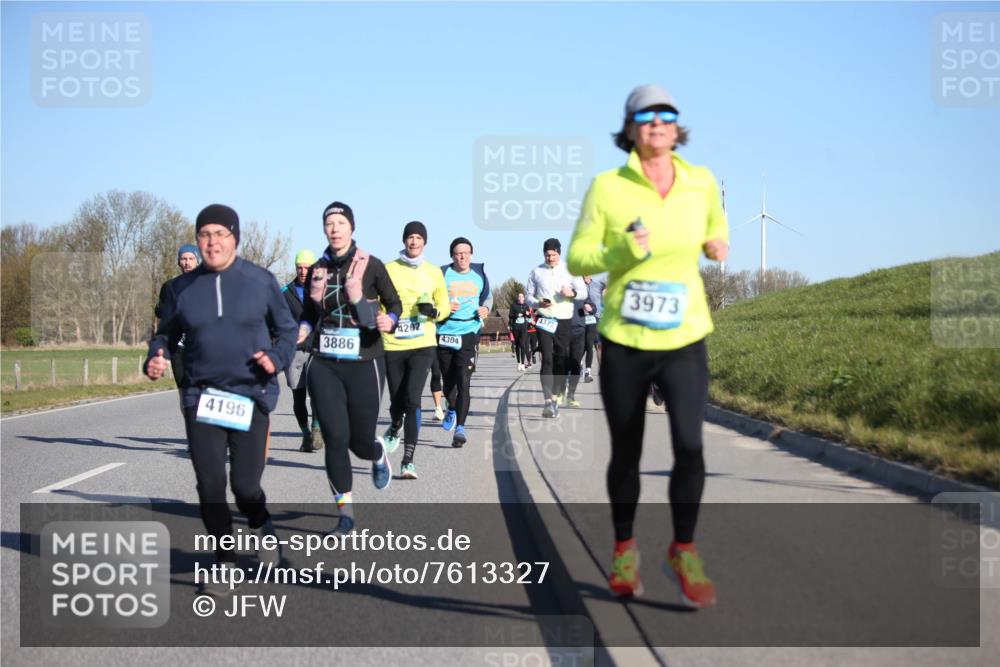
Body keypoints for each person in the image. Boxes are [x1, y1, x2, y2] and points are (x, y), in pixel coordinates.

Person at [566, 84, 728, 608]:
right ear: (631, 128)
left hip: (683, 336)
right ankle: (624, 547)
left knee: (689, 445)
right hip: (625, 338)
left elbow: (715, 224)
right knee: (628, 452)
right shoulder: (607, 187)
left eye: (667, 114)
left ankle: (684, 548)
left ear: (677, 127)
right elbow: (579, 258)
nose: (658, 122)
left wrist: (716, 241)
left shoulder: (701, 183)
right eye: (646, 115)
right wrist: (620, 247)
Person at [145, 205, 296, 595]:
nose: (212, 242)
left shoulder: (259, 281)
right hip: (202, 396)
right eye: (204, 234)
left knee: (245, 487)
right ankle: (225, 561)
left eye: (220, 234)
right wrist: (155, 354)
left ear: (235, 238)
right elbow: (164, 334)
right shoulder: (181, 289)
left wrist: (275, 360)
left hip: (251, 393)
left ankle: (261, 523)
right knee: (210, 485)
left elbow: (286, 329)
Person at [298, 202, 402, 534]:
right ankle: (346, 514)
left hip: (365, 360)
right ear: (324, 229)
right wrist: (301, 331)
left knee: (358, 441)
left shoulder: (372, 265)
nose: (335, 228)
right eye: (329, 222)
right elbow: (307, 314)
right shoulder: (317, 269)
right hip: (324, 362)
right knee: (334, 437)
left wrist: (391, 319)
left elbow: (395, 304)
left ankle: (376, 453)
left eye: (341, 222)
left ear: (351, 228)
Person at [381, 221, 450, 479]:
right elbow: (377, 303)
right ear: (404, 240)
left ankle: (408, 460)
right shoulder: (388, 269)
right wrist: (385, 319)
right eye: (410, 237)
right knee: (396, 399)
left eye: (419, 237)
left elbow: (443, 303)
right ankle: (395, 424)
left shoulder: (433, 272)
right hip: (394, 343)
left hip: (423, 343)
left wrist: (435, 312)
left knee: (413, 399)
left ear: (425, 242)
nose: (414, 241)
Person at [437, 237, 490, 448]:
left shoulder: (479, 275)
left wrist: (485, 308)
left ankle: (460, 428)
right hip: (444, 331)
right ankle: (451, 407)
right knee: (448, 383)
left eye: (467, 252)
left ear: (471, 254)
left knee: (464, 381)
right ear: (452, 255)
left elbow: (488, 298)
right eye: (459, 253)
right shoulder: (442, 275)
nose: (463, 256)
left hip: (469, 331)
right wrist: (443, 305)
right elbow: (431, 298)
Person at [525, 238, 578, 418]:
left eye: (553, 255)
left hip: (563, 318)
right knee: (547, 358)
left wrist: (572, 293)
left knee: (560, 360)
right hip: (544, 318)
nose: (550, 258)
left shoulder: (570, 270)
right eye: (547, 255)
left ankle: (555, 398)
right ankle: (548, 400)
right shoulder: (536, 272)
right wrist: (538, 302)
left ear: (559, 254)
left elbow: (581, 292)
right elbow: (528, 297)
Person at [281, 249, 322, 452]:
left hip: (317, 349)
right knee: (299, 396)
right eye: (300, 268)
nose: (303, 271)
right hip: (294, 350)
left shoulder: (321, 290)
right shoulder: (285, 292)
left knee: (317, 393)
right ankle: (305, 433)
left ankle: (316, 429)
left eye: (307, 267)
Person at [154, 244, 200, 388]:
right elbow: (159, 310)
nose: (187, 262)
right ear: (179, 262)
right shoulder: (169, 286)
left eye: (191, 258)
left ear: (198, 261)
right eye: (183, 259)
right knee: (183, 391)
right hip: (178, 347)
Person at [582, 275, 606, 382]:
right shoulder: (578, 285)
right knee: (582, 345)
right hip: (581, 319)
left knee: (598, 345)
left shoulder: (598, 284)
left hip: (596, 318)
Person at [508, 293, 531, 371]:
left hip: (524, 327)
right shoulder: (513, 305)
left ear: (524, 298)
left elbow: (529, 316)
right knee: (517, 345)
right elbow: (510, 315)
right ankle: (518, 362)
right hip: (516, 327)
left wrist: (528, 314)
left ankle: (523, 364)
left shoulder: (526, 306)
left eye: (522, 297)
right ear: (517, 298)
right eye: (519, 296)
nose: (521, 298)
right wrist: (517, 315)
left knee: (522, 344)